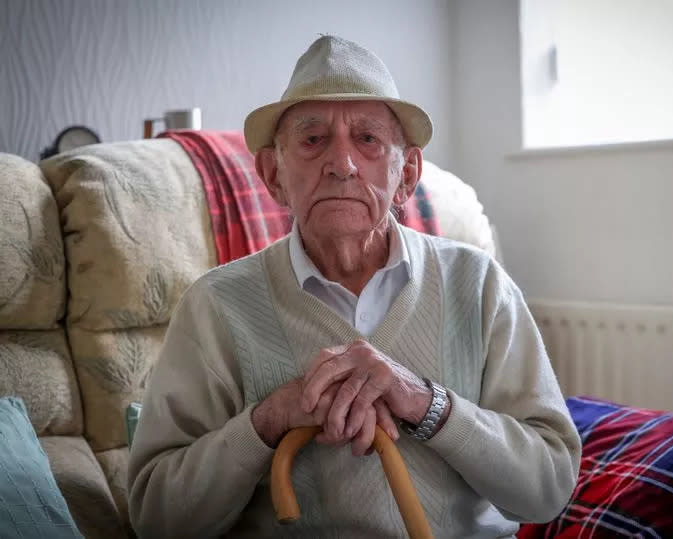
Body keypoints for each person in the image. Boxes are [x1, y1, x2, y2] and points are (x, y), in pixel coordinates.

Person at [128, 35, 581, 538]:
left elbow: (548, 487)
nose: (341, 164)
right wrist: (270, 419)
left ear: (406, 174)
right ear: (272, 172)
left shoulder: (478, 285)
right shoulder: (216, 305)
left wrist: (424, 403)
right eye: (312, 138)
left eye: (367, 139)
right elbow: (156, 517)